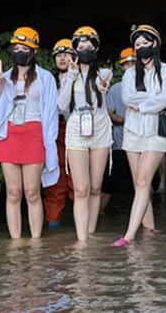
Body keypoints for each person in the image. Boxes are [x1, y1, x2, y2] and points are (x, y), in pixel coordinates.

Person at [0, 27, 59, 239]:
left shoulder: (45, 78)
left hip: (34, 133)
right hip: (9, 134)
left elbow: (50, 112)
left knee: (32, 192)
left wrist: (49, 144)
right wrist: (0, 85)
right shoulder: (4, 76)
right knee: (13, 193)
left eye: (25, 48)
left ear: (34, 51)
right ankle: (16, 242)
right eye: (16, 47)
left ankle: (36, 241)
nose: (19, 51)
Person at [113, 25, 166, 247]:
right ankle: (149, 228)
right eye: (137, 44)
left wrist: (144, 104)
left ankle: (129, 235)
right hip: (133, 131)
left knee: (142, 180)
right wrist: (152, 100)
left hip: (157, 130)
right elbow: (128, 99)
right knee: (140, 183)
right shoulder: (130, 73)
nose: (141, 47)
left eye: (144, 43)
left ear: (155, 44)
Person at [58, 26, 113, 242]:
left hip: (99, 129)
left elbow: (103, 91)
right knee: (81, 188)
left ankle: (91, 233)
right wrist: (71, 77)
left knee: (96, 187)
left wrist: (103, 86)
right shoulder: (68, 76)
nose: (85, 49)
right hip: (76, 130)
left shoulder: (105, 73)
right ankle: (82, 241)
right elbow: (61, 106)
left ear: (96, 48)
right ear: (74, 50)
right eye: (80, 47)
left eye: (89, 46)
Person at [44, 38, 75, 228]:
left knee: (77, 180)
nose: (62, 58)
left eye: (67, 54)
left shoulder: (82, 78)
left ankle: (82, 226)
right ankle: (53, 226)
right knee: (55, 182)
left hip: (76, 132)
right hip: (54, 133)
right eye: (58, 55)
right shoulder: (48, 81)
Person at [102, 48, 135, 212]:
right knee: (110, 182)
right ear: (122, 66)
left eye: (133, 63)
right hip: (119, 141)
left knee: (143, 182)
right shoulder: (115, 88)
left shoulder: (146, 86)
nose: (130, 66)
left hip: (140, 143)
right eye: (126, 64)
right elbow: (108, 112)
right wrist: (125, 121)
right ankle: (99, 213)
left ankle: (148, 221)